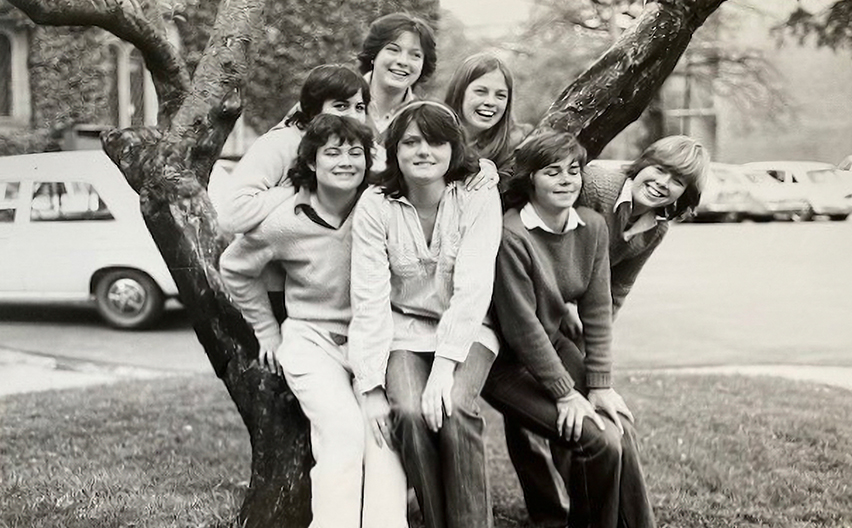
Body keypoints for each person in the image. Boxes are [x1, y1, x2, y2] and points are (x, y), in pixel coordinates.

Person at [499, 134, 709, 528]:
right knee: (541, 421)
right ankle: (548, 511)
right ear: (642, 163)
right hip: (524, 307)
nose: (663, 183)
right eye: (659, 169)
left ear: (686, 192)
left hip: (565, 318)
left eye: (677, 180)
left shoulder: (656, 226)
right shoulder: (593, 186)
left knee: (608, 421)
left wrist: (596, 374)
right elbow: (547, 226)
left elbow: (613, 291)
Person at [219, 114, 408, 528]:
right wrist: (267, 330)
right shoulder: (286, 218)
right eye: (332, 152)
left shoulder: (379, 207)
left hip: (372, 341)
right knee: (343, 433)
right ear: (311, 162)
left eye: (355, 152)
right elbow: (234, 268)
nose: (345, 161)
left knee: (384, 439)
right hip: (311, 341)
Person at [482, 129, 657, 528]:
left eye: (573, 170)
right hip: (507, 363)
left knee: (617, 425)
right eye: (552, 172)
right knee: (596, 441)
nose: (566, 180)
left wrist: (598, 384)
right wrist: (565, 393)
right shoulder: (512, 235)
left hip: (554, 343)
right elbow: (522, 326)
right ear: (530, 180)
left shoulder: (593, 226)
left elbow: (596, 309)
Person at [348, 101, 502, 528]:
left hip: (468, 330)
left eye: (435, 142)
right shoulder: (376, 204)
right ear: (394, 150)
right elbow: (368, 299)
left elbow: (473, 288)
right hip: (403, 328)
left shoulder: (476, 193)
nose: (423, 151)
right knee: (411, 414)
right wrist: (371, 385)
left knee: (452, 405)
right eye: (411, 142)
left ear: (453, 148)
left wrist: (444, 368)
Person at [211, 64, 371, 235]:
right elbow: (231, 217)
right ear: (314, 110)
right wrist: (297, 189)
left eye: (359, 108)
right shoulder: (280, 143)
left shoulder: (361, 148)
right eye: (341, 106)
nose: (353, 116)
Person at [444, 52, 528, 169]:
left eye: (500, 95)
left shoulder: (518, 147)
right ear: (459, 92)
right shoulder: (433, 137)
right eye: (480, 91)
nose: (490, 102)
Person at [357, 12, 437, 135]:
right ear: (373, 54)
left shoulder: (425, 119)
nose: (403, 62)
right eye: (393, 50)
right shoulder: (340, 101)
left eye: (415, 55)